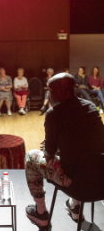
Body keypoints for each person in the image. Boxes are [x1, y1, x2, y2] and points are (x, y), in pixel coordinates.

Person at [25, 73, 104, 229]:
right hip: (99, 178)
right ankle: (75, 207)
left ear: (62, 90)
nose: (48, 94)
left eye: (50, 90)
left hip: (74, 182)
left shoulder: (54, 114)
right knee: (82, 160)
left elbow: (49, 155)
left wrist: (50, 146)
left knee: (31, 157)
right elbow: (98, 144)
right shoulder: (90, 108)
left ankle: (40, 214)